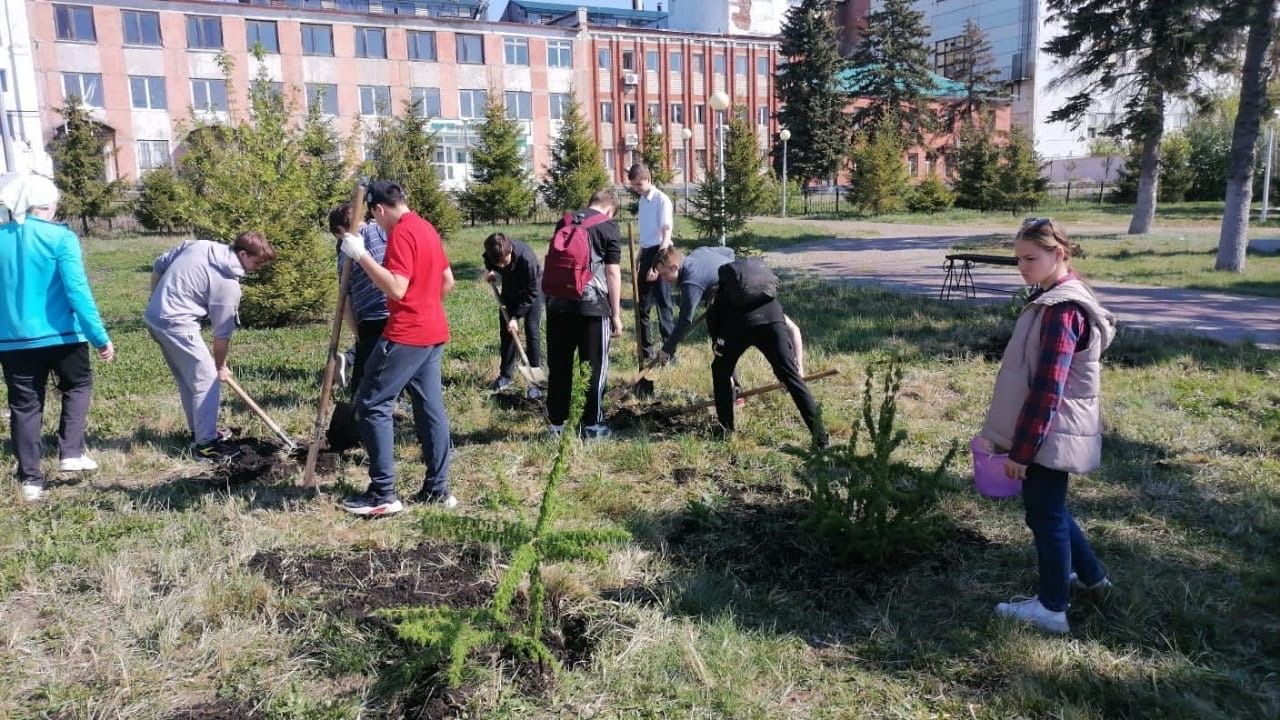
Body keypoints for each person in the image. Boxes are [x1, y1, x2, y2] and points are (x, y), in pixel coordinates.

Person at [980, 218, 1116, 634]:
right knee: (1052, 509)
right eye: (1017, 259)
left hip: (1046, 431)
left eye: (1030, 258)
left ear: (1059, 254)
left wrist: (1022, 451)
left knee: (1045, 517)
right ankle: (1093, 579)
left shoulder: (1062, 310)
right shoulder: (1053, 297)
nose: (1022, 267)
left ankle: (1052, 608)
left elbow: (1047, 389)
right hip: (1048, 429)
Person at [338, 181, 456, 516]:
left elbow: (397, 288)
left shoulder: (402, 233)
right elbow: (447, 281)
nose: (377, 226)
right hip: (433, 331)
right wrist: (425, 305)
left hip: (407, 333)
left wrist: (360, 255)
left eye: (375, 219)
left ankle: (383, 494)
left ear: (378, 209)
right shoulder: (426, 228)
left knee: (372, 403)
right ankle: (437, 490)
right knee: (429, 407)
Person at [0, 174, 114, 502]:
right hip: (62, 335)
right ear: (47, 205)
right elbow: (77, 290)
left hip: (11, 341)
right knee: (78, 385)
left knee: (24, 406)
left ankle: (31, 481)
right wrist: (99, 336)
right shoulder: (61, 238)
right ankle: (71, 451)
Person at [145, 231, 276, 460]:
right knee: (207, 379)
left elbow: (160, 264)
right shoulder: (227, 284)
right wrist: (220, 366)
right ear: (243, 254)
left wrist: (154, 298)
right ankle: (206, 445)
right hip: (177, 324)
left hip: (155, 319)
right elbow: (221, 335)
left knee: (190, 379)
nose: (256, 268)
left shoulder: (200, 246)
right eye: (255, 263)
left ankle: (199, 431)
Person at [707, 258, 826, 447]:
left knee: (719, 371)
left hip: (738, 327)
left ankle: (725, 431)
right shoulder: (765, 296)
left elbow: (719, 348)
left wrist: (728, 374)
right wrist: (798, 367)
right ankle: (821, 438)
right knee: (792, 378)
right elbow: (793, 329)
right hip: (772, 323)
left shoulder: (717, 302)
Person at [653, 246, 807, 377]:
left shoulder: (690, 282)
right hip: (754, 284)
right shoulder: (700, 251)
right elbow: (728, 252)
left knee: (722, 350)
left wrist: (667, 349)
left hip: (739, 299)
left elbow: (685, 320)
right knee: (789, 327)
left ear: (674, 267)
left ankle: (735, 393)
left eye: (664, 274)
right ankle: (799, 371)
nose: (663, 279)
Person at [544, 189, 623, 439]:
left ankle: (557, 424)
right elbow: (612, 273)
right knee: (594, 368)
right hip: (592, 308)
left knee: (559, 366)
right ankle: (592, 425)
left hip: (557, 305)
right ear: (610, 209)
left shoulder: (565, 221)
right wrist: (616, 315)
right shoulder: (608, 228)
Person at [327, 201, 389, 392]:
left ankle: (360, 408)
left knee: (363, 381)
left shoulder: (345, 256)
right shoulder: (381, 230)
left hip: (370, 317)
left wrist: (357, 334)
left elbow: (345, 301)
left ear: (339, 230)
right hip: (395, 307)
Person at [483, 232, 543, 399]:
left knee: (532, 333)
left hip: (531, 293)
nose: (502, 266)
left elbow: (532, 293)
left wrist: (516, 317)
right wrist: (491, 272)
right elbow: (489, 263)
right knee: (507, 334)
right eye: (498, 264)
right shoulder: (492, 254)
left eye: (505, 262)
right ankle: (505, 376)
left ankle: (534, 382)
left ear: (510, 251)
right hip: (510, 292)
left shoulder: (527, 259)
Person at [629, 163, 675, 361]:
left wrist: (658, 265)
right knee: (643, 304)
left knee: (664, 305)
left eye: (639, 184)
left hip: (662, 252)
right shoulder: (642, 201)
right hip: (647, 252)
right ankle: (646, 350)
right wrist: (640, 253)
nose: (637, 188)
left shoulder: (661, 200)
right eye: (634, 185)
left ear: (648, 179)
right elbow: (647, 232)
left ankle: (669, 353)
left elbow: (666, 234)